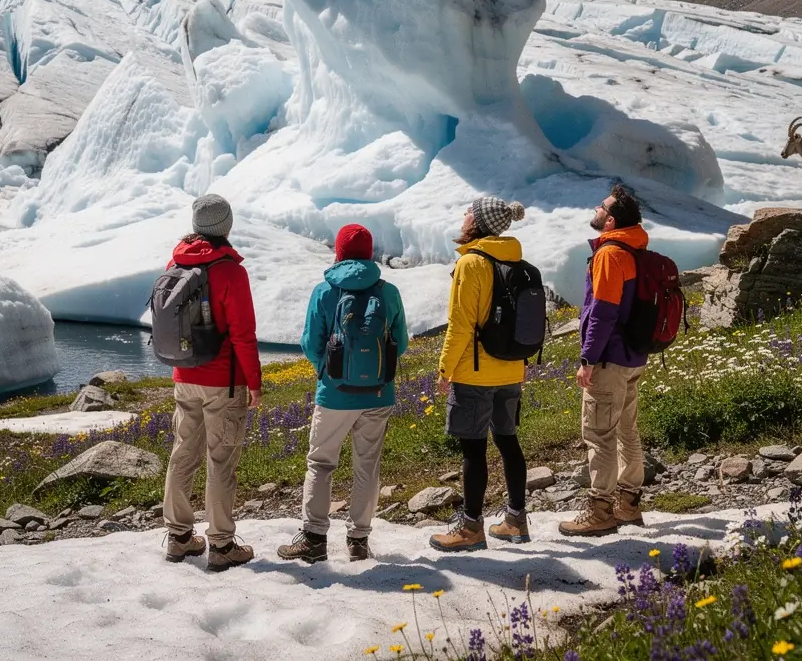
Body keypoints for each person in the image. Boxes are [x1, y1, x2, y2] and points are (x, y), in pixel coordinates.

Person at [278, 223, 409, 564]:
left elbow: (310, 343)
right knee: (367, 465)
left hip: (334, 395)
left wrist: (328, 371)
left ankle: (314, 538)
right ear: (369, 252)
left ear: (338, 252)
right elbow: (401, 343)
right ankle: (358, 540)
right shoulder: (389, 292)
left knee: (321, 463)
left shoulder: (325, 290)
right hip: (378, 395)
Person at [162, 194, 262, 570]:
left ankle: (179, 538)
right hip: (224, 381)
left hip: (184, 375)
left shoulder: (176, 263)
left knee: (183, 452)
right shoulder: (230, 271)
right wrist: (255, 382)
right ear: (226, 226)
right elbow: (243, 334)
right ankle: (221, 545)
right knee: (221, 460)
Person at [429, 197, 530, 553]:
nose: (464, 215)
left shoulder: (471, 262)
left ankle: (471, 527)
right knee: (508, 442)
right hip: (511, 368)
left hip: (475, 373)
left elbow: (460, 324)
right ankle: (516, 520)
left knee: (473, 450)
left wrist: (445, 368)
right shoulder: (516, 260)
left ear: (479, 222)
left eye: (469, 212)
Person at [559, 184, 649, 537]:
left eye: (601, 206)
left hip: (609, 359)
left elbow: (603, 312)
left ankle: (600, 511)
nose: (596, 209)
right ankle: (628, 504)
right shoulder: (635, 246)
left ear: (610, 221)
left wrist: (588, 359)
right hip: (633, 355)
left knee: (599, 434)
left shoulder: (610, 253)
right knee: (627, 430)